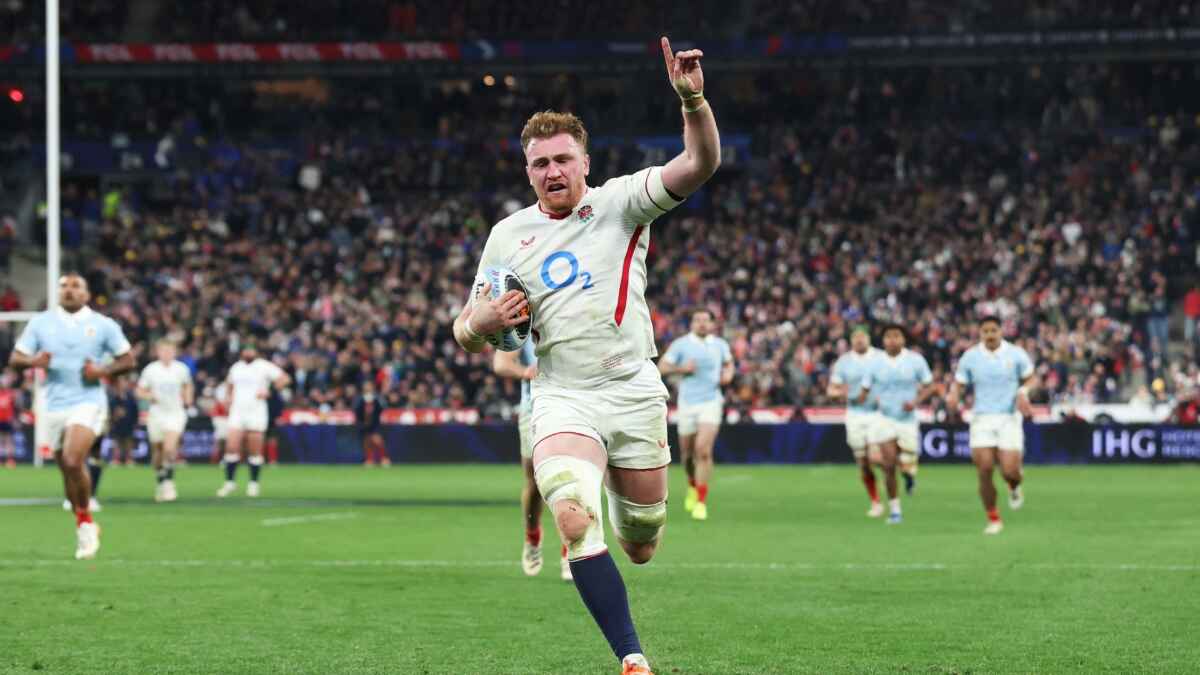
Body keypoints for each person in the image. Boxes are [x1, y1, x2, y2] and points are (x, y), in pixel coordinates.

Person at [451, 36, 719, 675]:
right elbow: (469, 328)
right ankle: (632, 658)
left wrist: (693, 99)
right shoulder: (507, 237)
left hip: (632, 389)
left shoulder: (622, 203)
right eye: (539, 162)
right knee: (573, 513)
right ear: (527, 171)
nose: (552, 171)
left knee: (644, 540)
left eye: (563, 159)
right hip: (562, 393)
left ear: (584, 162)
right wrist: (480, 323)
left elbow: (700, 163)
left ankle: (637, 531)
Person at [9, 273, 135, 559]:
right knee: (67, 471)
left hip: (88, 401)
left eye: (76, 286)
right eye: (64, 286)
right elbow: (15, 359)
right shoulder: (41, 323)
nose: (69, 290)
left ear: (87, 295)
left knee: (73, 458)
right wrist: (34, 361)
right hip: (52, 404)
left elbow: (128, 360)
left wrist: (102, 371)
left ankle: (86, 524)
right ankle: (83, 520)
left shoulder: (103, 325)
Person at [947, 316, 1036, 535]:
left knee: (1009, 472)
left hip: (1008, 418)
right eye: (985, 331)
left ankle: (1014, 486)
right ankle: (993, 518)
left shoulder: (1015, 354)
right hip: (981, 419)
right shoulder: (971, 357)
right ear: (980, 333)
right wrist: (953, 397)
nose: (989, 335)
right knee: (984, 469)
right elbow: (959, 383)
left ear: (1001, 331)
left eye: (993, 330)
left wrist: (1023, 392)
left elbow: (1031, 378)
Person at [495, 339, 572, 581]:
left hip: (574, 408)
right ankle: (532, 536)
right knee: (535, 482)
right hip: (534, 406)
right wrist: (524, 371)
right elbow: (501, 363)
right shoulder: (524, 326)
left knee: (572, 479)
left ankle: (571, 551)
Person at [658, 309, 733, 521]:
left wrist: (728, 374)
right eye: (697, 320)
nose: (701, 324)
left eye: (705, 320)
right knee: (688, 456)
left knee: (703, 450)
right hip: (687, 403)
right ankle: (692, 484)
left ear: (711, 324)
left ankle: (700, 501)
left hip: (711, 401)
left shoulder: (719, 345)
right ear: (691, 323)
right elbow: (661, 367)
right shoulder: (681, 344)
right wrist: (682, 368)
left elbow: (729, 364)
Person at [857, 324, 934, 524]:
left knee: (907, 463)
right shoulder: (874, 363)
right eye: (888, 336)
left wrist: (916, 402)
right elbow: (865, 390)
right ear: (883, 341)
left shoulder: (915, 361)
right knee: (888, 464)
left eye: (896, 336)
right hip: (884, 418)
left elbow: (930, 386)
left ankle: (909, 475)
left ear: (903, 339)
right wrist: (863, 398)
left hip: (907, 420)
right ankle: (895, 510)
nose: (892, 340)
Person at [826, 326, 887, 517]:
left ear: (868, 338)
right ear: (851, 340)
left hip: (877, 414)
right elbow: (832, 390)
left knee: (875, 457)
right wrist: (846, 393)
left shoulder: (880, 358)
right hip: (854, 414)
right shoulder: (843, 363)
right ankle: (876, 502)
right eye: (856, 338)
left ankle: (894, 473)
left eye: (862, 337)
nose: (859, 341)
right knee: (863, 464)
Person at [217, 344, 289, 498]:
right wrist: (228, 399)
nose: (248, 352)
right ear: (242, 352)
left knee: (254, 448)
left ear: (255, 352)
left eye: (251, 350)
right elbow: (229, 384)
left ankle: (253, 483)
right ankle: (230, 482)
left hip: (256, 411)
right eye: (246, 350)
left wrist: (270, 391)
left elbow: (284, 379)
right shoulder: (236, 367)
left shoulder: (263, 366)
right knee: (231, 446)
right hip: (237, 411)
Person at [136, 339, 194, 502]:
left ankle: (168, 483)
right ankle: (160, 480)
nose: (167, 354)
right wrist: (149, 396)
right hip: (156, 414)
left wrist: (188, 398)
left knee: (170, 448)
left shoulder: (181, 369)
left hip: (175, 413)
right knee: (157, 452)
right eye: (163, 350)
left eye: (170, 350)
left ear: (174, 352)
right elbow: (140, 391)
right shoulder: (151, 370)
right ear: (158, 352)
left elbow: (188, 385)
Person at [355, 381, 388, 467]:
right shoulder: (360, 398)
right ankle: (369, 460)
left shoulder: (377, 397)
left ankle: (384, 458)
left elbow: (382, 407)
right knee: (367, 442)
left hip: (375, 423)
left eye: (369, 386)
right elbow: (356, 409)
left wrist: (375, 400)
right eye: (366, 386)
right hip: (364, 423)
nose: (367, 387)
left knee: (377, 440)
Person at [0, 372, 20, 468]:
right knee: (1, 440)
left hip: (7, 420)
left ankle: (10, 460)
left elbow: (15, 408)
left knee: (9, 440)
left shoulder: (11, 394)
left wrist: (14, 419)